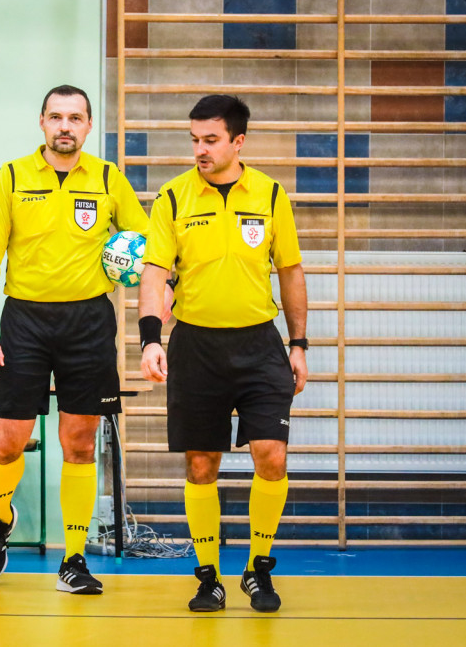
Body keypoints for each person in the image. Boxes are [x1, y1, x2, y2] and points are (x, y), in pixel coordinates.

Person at [0, 85, 149, 595]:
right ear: (42, 123)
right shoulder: (12, 176)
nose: (65, 126)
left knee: (79, 444)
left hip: (89, 321)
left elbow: (143, 244)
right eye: (56, 117)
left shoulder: (109, 178)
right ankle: (0, 518)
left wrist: (147, 274)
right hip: (24, 320)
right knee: (9, 440)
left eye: (75, 117)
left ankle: (73, 559)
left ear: (89, 126)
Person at [138, 95, 308, 613]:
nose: (199, 150)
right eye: (194, 139)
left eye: (210, 140)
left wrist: (298, 344)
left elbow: (291, 272)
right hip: (195, 346)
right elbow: (153, 274)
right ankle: (207, 575)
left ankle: (258, 569)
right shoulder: (172, 198)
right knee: (200, 464)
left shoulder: (272, 194)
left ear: (238, 141)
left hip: (259, 344)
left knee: (271, 458)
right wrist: (149, 338)